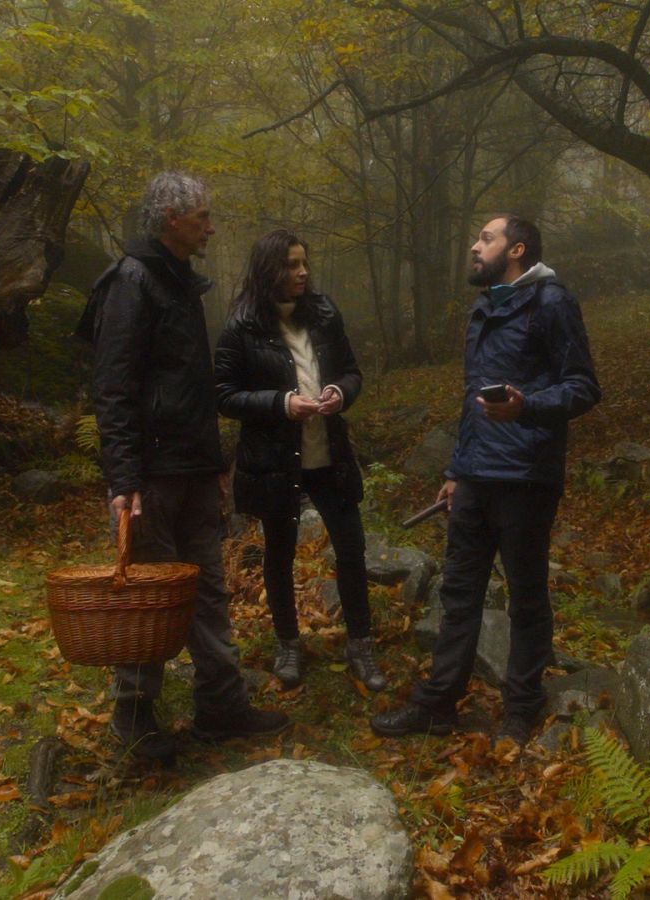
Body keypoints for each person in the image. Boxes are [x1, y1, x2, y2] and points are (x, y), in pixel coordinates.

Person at [82, 171, 290, 764]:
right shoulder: (131, 281)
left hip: (193, 471)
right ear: (172, 219)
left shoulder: (180, 283)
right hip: (150, 478)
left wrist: (212, 462)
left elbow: (191, 387)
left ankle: (221, 706)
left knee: (207, 590)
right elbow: (113, 387)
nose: (211, 228)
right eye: (202, 217)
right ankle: (134, 719)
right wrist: (124, 479)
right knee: (146, 598)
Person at [371, 214, 600, 746]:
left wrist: (526, 406)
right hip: (475, 476)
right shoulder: (484, 307)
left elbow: (584, 386)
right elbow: (471, 398)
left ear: (516, 250)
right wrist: (456, 469)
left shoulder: (552, 302)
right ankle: (438, 704)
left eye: (486, 239)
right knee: (458, 593)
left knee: (526, 596)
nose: (474, 247)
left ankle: (520, 708)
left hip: (526, 476)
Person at [214, 230, 386, 692]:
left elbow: (351, 372)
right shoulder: (242, 326)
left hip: (330, 455)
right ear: (269, 269)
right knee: (279, 553)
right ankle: (288, 643)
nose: (303, 272)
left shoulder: (324, 314)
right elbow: (223, 395)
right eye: (292, 264)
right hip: (275, 461)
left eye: (304, 262)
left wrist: (340, 392)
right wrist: (281, 403)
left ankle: (361, 644)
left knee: (351, 547)